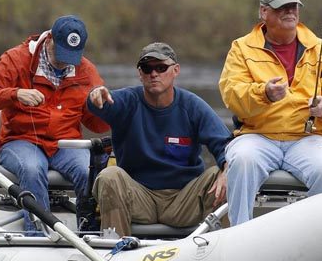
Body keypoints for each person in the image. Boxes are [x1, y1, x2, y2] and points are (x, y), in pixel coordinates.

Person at [219, 0, 322, 226]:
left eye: (293, 5)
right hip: (257, 136)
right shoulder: (241, 49)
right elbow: (232, 95)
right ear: (264, 12)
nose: (289, 11)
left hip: (309, 138)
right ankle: (240, 235)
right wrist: (264, 94)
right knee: (243, 160)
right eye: (281, 6)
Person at [0, 15, 110, 233]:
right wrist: (15, 94)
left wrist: (101, 108)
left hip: (66, 144)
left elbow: (99, 126)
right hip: (20, 141)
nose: (65, 62)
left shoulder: (86, 70)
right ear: (50, 39)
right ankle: (38, 232)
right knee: (33, 169)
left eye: (72, 57)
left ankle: (90, 232)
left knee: (88, 171)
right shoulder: (16, 59)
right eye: (62, 54)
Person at [87, 42, 231, 237]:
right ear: (140, 73)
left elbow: (226, 145)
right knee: (109, 176)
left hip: (183, 201)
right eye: (147, 68)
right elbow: (100, 104)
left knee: (218, 174)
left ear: (176, 70)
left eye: (161, 67)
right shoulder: (128, 101)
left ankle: (216, 248)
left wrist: (226, 170)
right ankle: (113, 248)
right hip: (139, 198)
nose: (153, 74)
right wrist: (95, 95)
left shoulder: (192, 105)